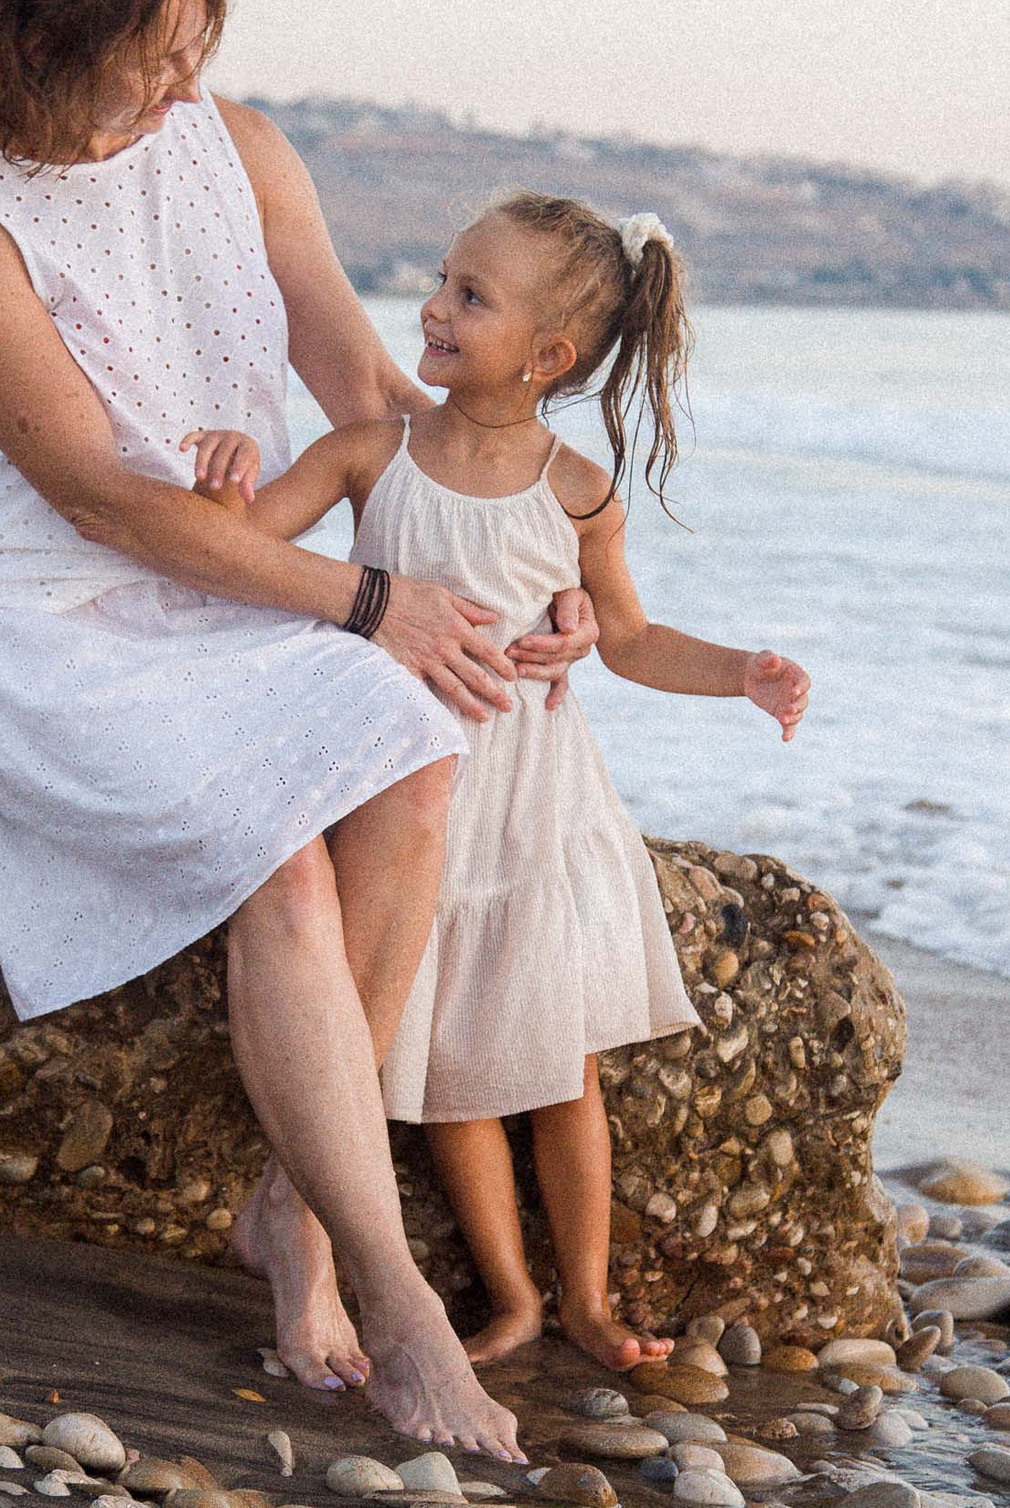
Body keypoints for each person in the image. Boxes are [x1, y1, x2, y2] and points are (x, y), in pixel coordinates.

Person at [0, 0, 592, 1457]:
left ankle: (295, 1204)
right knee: (283, 868)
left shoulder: (239, 146)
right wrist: (356, 601)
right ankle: (398, 1297)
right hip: (47, 612)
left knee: (419, 749)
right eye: (154, 60)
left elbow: (359, 381)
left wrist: (516, 564)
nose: (185, 89)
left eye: (198, 49)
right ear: (41, 41)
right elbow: (100, 498)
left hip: (245, 577)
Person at [193, 191, 811, 1368]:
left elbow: (625, 637)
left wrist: (741, 671)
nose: (429, 307)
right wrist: (224, 481)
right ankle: (513, 1297)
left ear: (547, 356)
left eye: (468, 296)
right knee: (454, 1075)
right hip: (404, 808)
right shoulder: (370, 453)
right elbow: (242, 550)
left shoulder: (576, 491)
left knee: (561, 1062)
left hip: (533, 814)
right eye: (440, 277)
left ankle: (584, 1295)